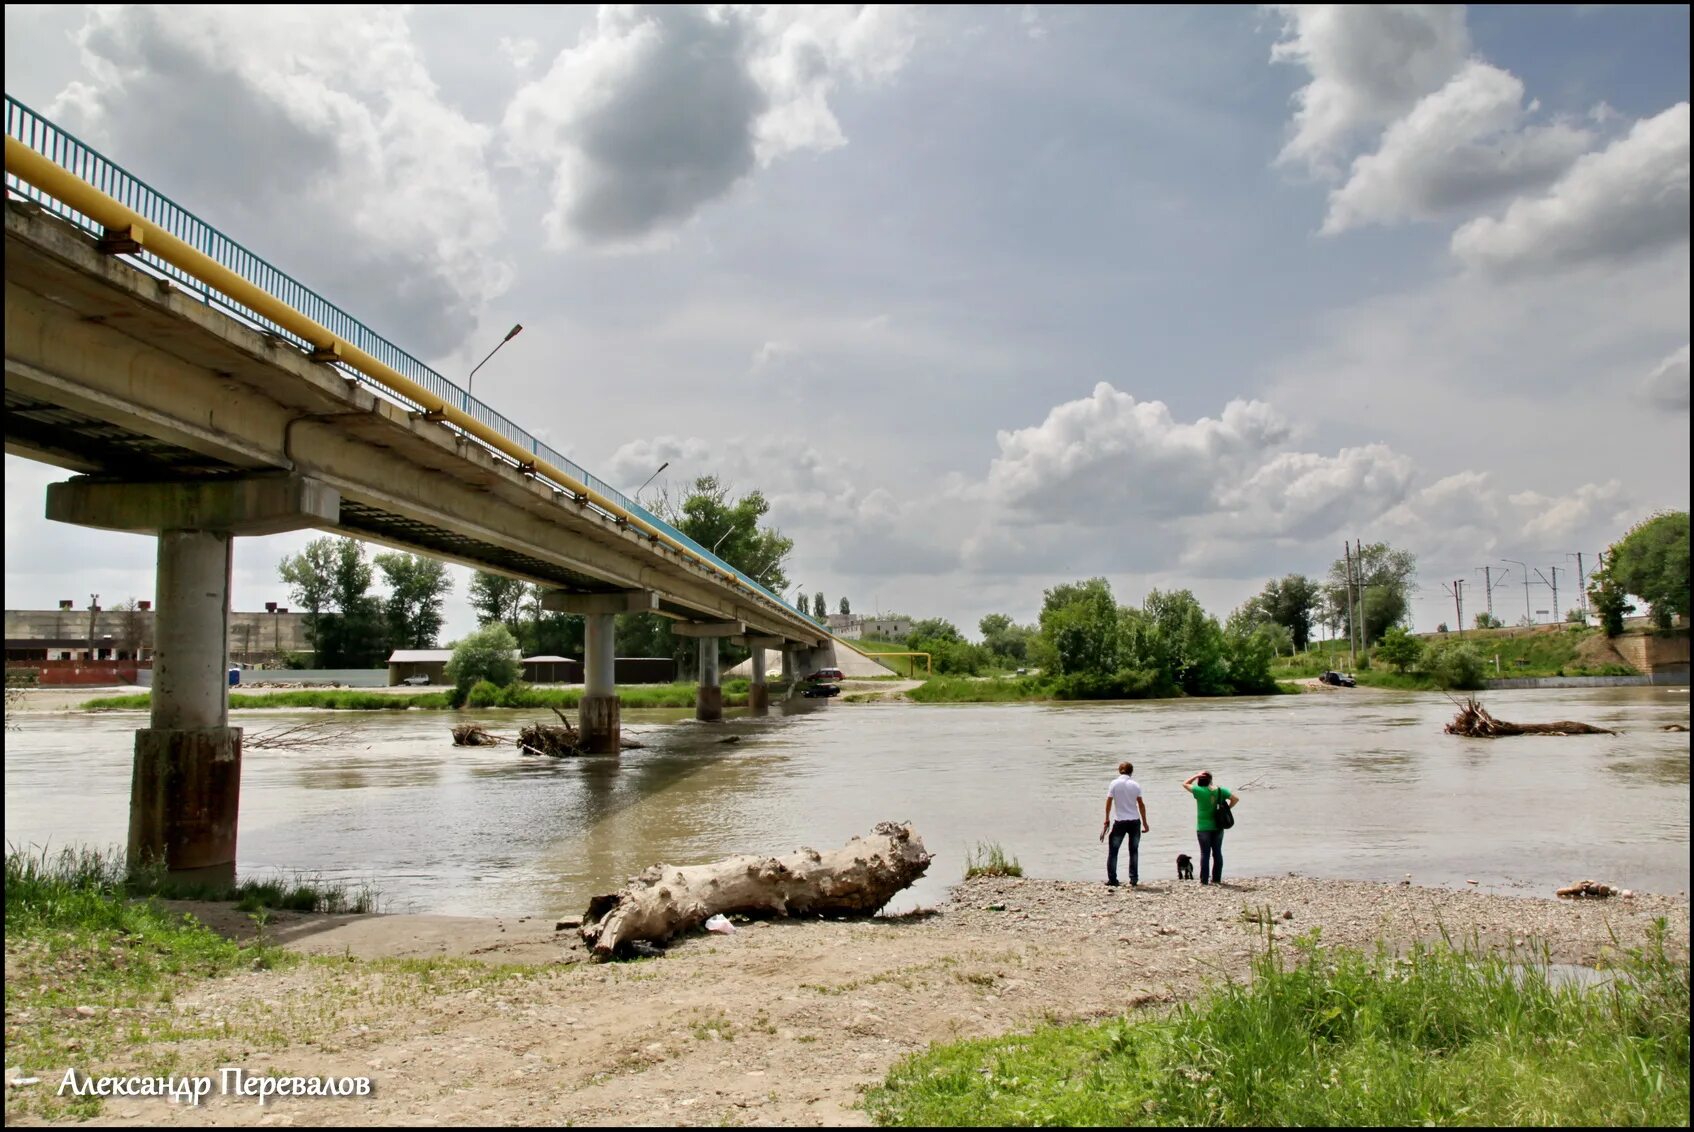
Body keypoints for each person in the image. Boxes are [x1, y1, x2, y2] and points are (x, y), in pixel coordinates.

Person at [1100, 761, 1149, 887]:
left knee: (1113, 851)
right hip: (1134, 821)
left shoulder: (1114, 783)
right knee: (1134, 850)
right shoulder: (1135, 785)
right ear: (1131, 771)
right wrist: (1145, 823)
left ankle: (1112, 879)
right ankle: (1133, 878)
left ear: (1119, 770)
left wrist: (1106, 818)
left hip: (1120, 821)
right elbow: (1141, 805)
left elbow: (1109, 802)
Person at [1183, 770, 1237, 885]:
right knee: (1217, 852)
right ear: (1211, 780)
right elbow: (1235, 799)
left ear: (1200, 780)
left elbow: (1185, 783)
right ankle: (1216, 878)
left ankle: (1204, 880)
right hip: (1218, 826)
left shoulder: (1199, 790)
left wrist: (1196, 775)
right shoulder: (1221, 790)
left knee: (1205, 854)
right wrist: (1227, 809)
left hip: (1203, 827)